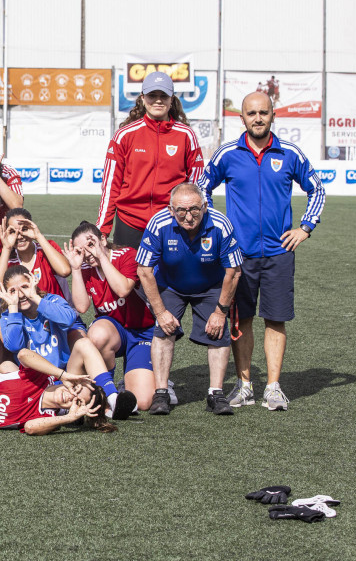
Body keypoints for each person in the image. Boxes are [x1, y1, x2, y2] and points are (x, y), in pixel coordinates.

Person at [198, 91, 325, 411]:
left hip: (279, 253)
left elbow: (317, 188)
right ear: (241, 118)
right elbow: (201, 187)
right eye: (251, 113)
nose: (258, 118)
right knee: (240, 322)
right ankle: (244, 386)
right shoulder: (227, 153)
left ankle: (273, 387)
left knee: (276, 320)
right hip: (239, 257)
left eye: (263, 113)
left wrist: (305, 227)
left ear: (272, 116)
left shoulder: (289, 152)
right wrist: (217, 228)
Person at [136, 183, 243, 416]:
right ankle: (161, 392)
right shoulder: (158, 223)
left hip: (210, 285)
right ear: (171, 209)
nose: (188, 216)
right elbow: (144, 270)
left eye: (194, 209)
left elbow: (233, 272)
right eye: (181, 210)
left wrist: (220, 312)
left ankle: (216, 393)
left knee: (218, 332)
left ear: (204, 206)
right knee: (163, 331)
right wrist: (160, 312)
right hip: (171, 285)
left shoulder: (220, 224)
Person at [0, 266, 137, 419]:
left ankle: (112, 398)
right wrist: (13, 308)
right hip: (37, 384)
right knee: (4, 366)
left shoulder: (51, 300)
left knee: (84, 344)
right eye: (13, 291)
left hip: (67, 376)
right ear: (6, 295)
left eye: (24, 286)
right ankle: (69, 407)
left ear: (33, 283)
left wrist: (35, 298)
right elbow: (15, 345)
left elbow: (68, 319)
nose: (21, 294)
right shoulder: (9, 316)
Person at [97, 71, 204, 248]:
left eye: (164, 95)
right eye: (152, 95)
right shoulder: (124, 135)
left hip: (171, 223)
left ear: (172, 99)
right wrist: (102, 229)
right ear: (142, 98)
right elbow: (110, 186)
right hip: (129, 224)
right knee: (128, 277)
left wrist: (195, 221)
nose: (158, 100)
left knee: (170, 277)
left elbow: (197, 185)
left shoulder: (186, 135)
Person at [65, 221, 161, 412]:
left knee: (141, 402)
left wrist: (101, 256)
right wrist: (75, 269)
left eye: (91, 245)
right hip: (113, 330)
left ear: (103, 239)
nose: (88, 254)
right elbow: (82, 307)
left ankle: (128, 382)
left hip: (142, 331)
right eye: (81, 251)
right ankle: (107, 391)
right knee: (97, 334)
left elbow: (123, 289)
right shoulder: (84, 268)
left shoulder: (127, 255)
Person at [0, 208, 71, 299]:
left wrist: (38, 236)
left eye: (24, 229)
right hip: (23, 313)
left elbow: (64, 271)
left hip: (54, 310)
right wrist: (6, 248)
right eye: (13, 232)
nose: (19, 236)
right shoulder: (7, 260)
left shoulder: (46, 248)